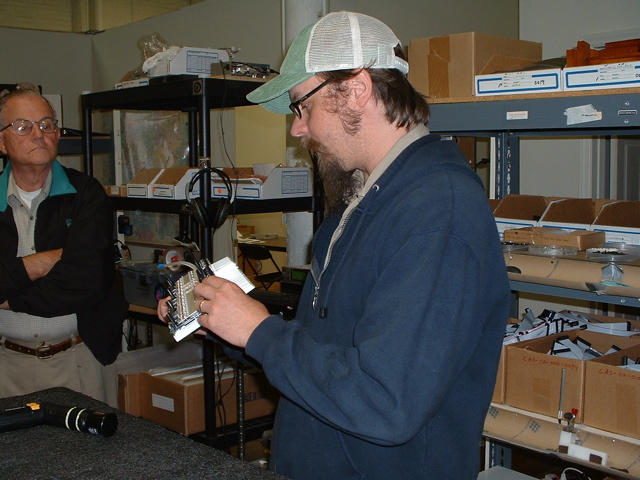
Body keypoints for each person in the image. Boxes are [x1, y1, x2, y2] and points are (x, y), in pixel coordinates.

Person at [159, 11, 511, 479]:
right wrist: (231, 326)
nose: (296, 129)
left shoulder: (436, 211)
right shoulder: (364, 196)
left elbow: (387, 402)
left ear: (357, 89)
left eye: (302, 107)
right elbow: (328, 347)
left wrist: (261, 332)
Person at [0, 82, 127, 407]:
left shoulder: (86, 194)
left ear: (57, 134)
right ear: (2, 141)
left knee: (90, 457)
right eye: (22, 126)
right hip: (6, 366)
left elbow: (85, 281)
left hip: (80, 360)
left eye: (47, 124)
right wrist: (38, 263)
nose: (38, 134)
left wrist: (9, 299)